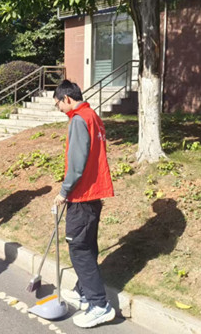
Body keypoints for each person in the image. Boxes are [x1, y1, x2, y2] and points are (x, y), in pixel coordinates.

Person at [52, 80, 116, 328]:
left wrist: (63, 192)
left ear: (66, 99)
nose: (58, 109)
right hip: (93, 194)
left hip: (82, 195)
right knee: (87, 245)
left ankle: (99, 305)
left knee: (79, 249)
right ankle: (82, 291)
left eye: (57, 104)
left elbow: (77, 163)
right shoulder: (92, 116)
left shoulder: (79, 119)